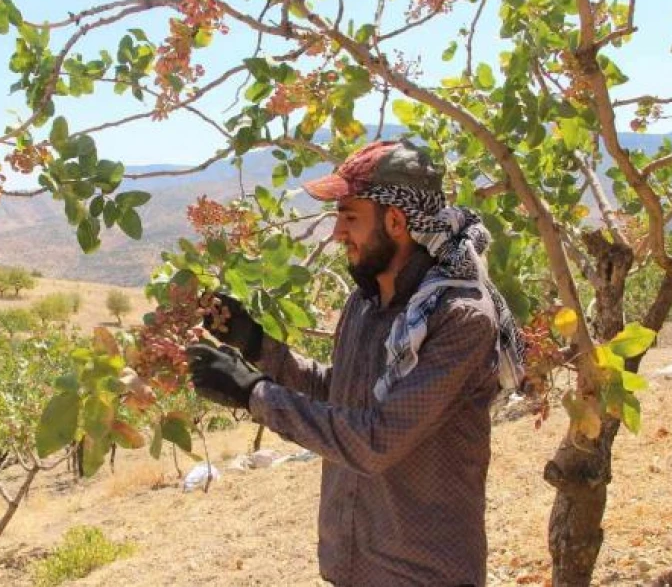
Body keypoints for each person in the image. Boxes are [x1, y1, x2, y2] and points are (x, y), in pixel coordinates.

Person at [185, 139, 525, 587]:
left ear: (396, 220)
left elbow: (375, 439)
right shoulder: (366, 302)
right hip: (355, 567)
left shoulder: (458, 316)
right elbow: (341, 395)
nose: (336, 234)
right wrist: (255, 345)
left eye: (349, 218)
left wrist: (254, 394)